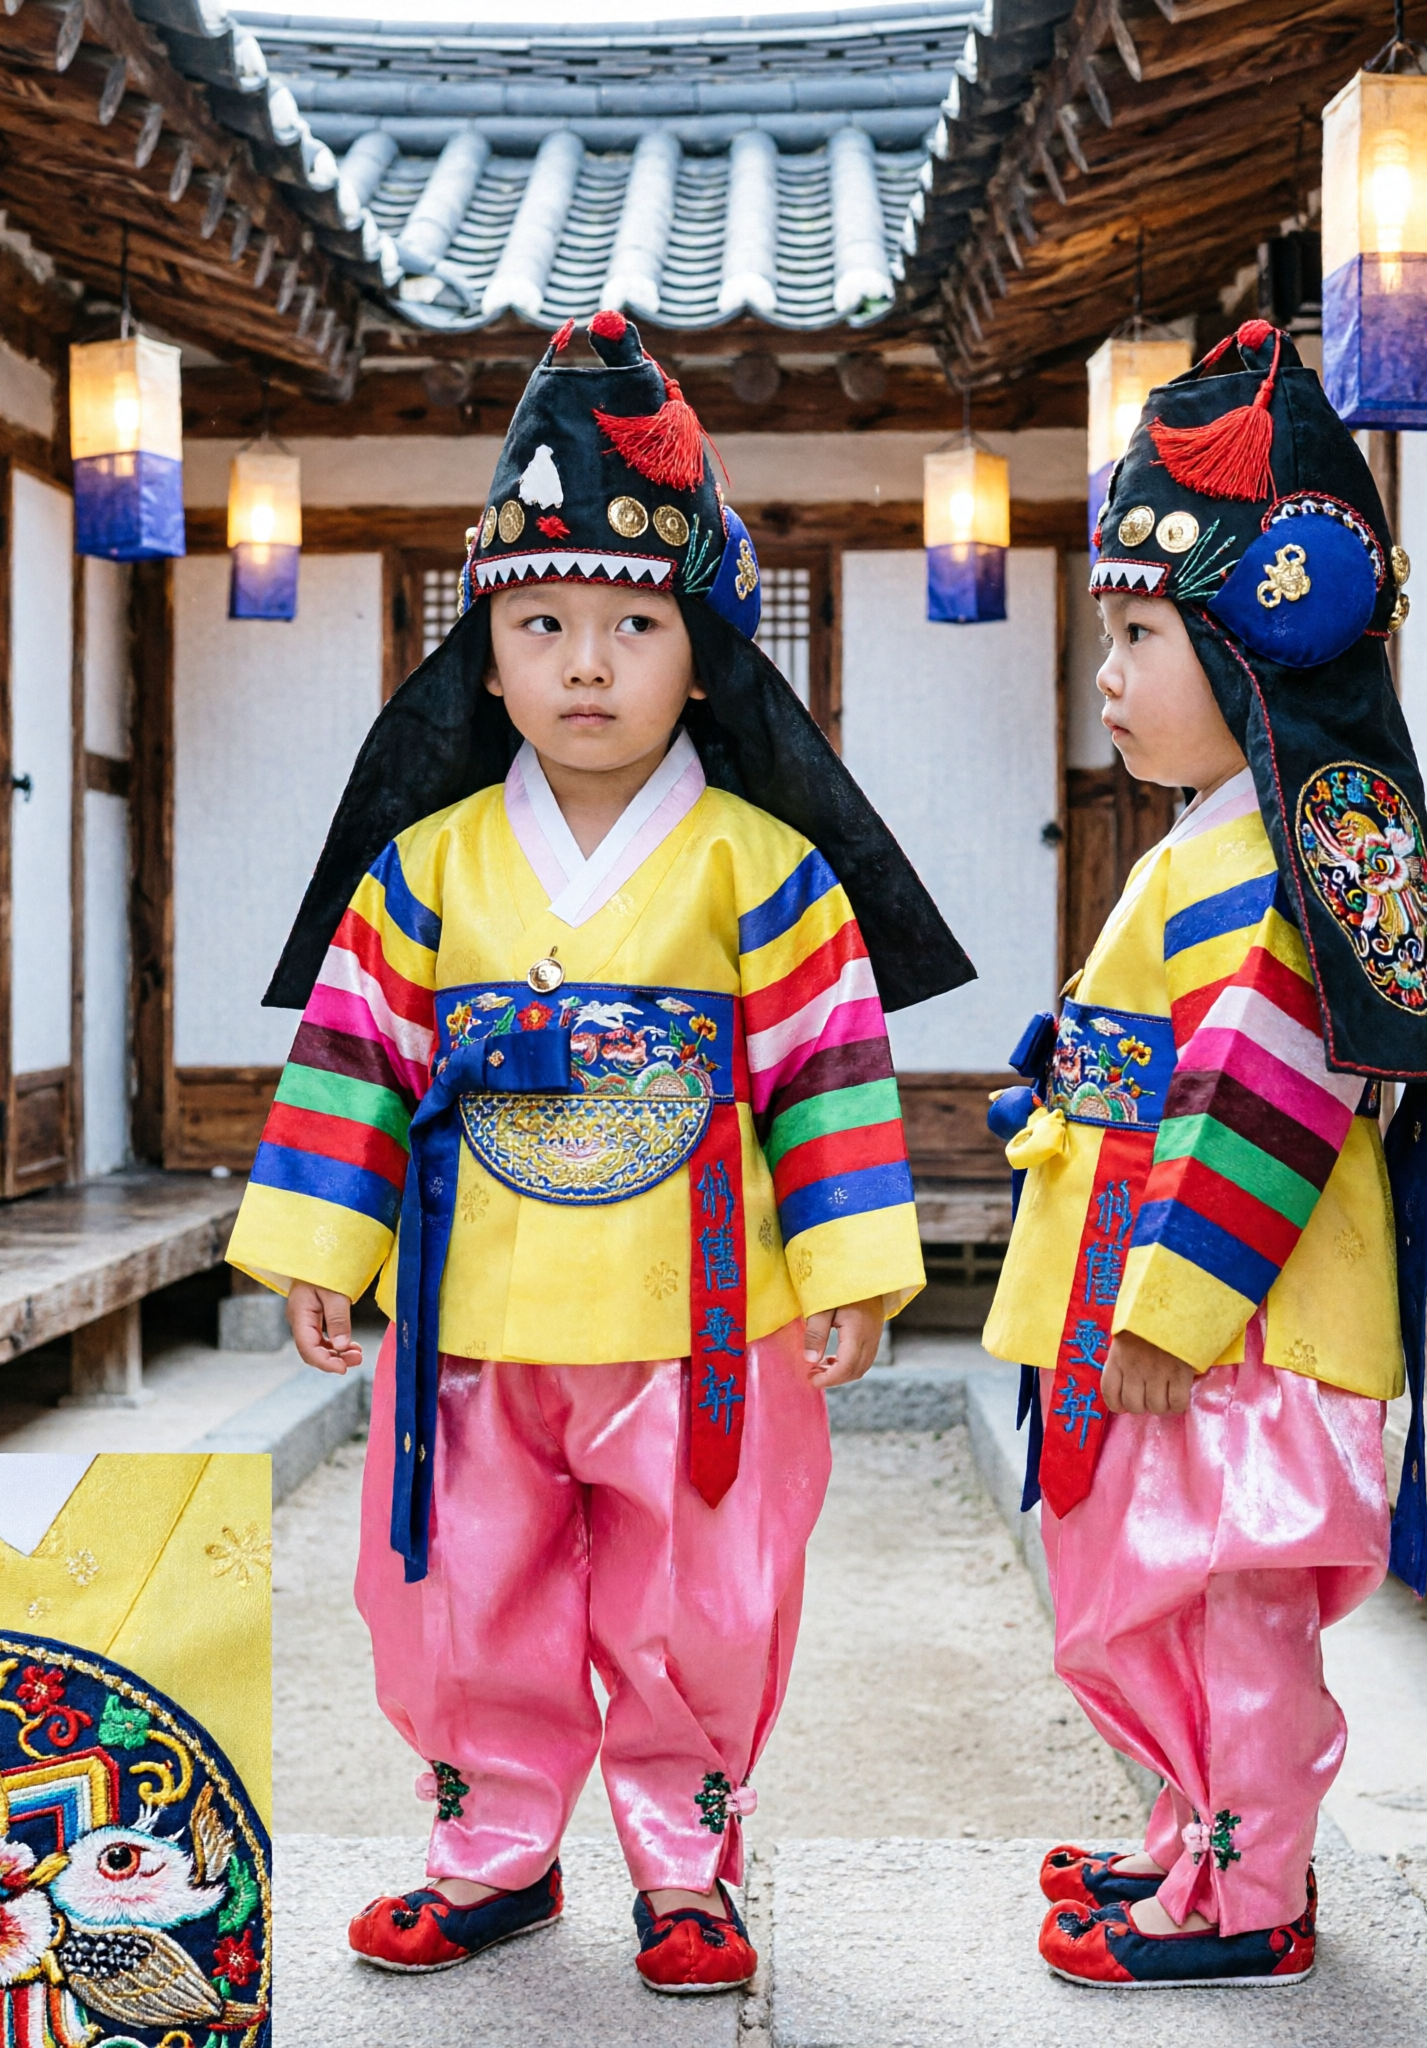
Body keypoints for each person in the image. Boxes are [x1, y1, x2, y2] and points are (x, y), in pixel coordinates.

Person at [226, 310, 972, 1995]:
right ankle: (488, 1849)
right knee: (464, 1589)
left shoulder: (766, 869)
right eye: (540, 622)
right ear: (481, 660)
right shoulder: (418, 870)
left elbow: (830, 1074)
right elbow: (358, 1058)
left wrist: (852, 1270)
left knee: (694, 1595)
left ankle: (687, 1858)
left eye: (632, 625)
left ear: (700, 655)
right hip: (474, 1313)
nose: (582, 663)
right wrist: (323, 1248)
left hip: (703, 1324)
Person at [983, 320, 1427, 1988]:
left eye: (1138, 634)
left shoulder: (1284, 865)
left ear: (1257, 644)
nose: (1107, 677)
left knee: (1234, 1607)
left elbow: (1269, 1102)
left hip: (1228, 1325)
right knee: (1155, 1587)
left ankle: (1250, 1892)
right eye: (1107, 635)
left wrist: (1168, 1310)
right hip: (1162, 1297)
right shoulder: (1217, 842)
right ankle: (1181, 1834)